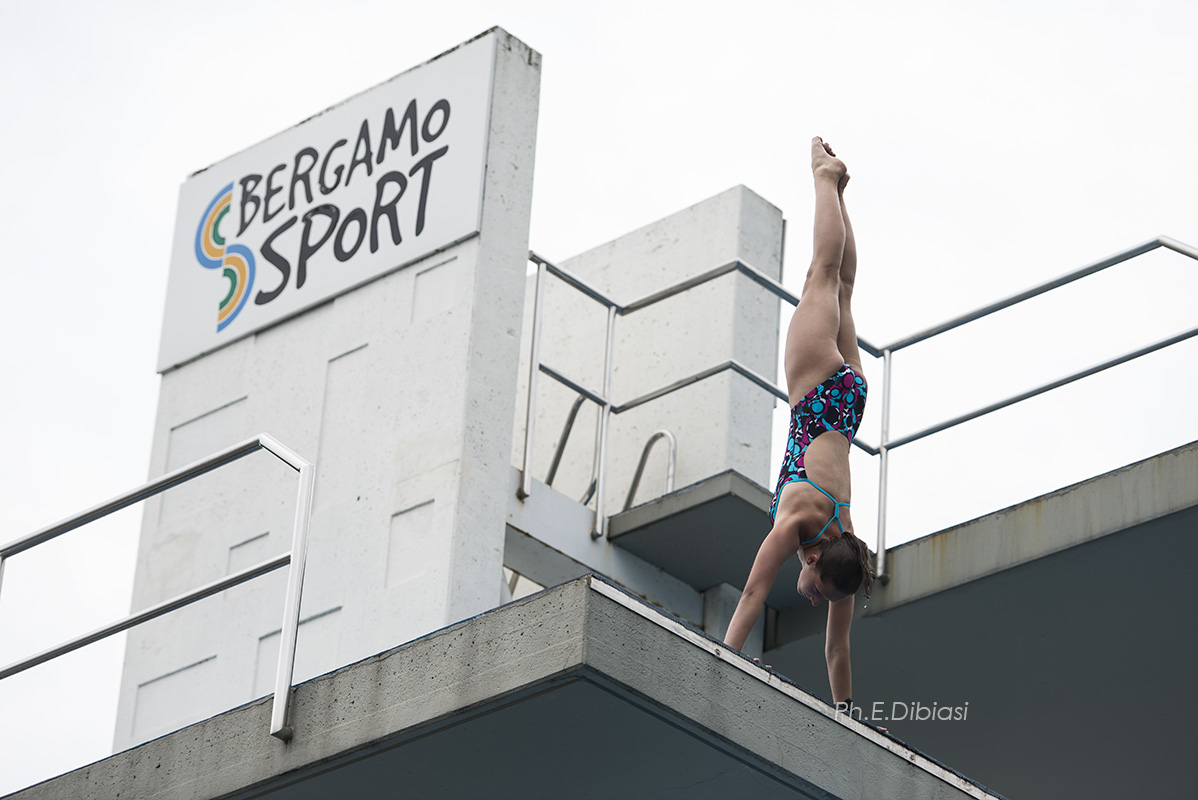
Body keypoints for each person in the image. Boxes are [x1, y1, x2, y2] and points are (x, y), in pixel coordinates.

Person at [724, 137, 875, 710]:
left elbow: (838, 652)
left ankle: (838, 191)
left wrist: (847, 719)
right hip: (815, 393)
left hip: (849, 401)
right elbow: (754, 592)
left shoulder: (848, 552)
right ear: (813, 562)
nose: (816, 600)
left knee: (843, 287)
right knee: (823, 273)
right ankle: (822, 176)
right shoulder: (802, 525)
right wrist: (722, 659)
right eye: (819, 593)